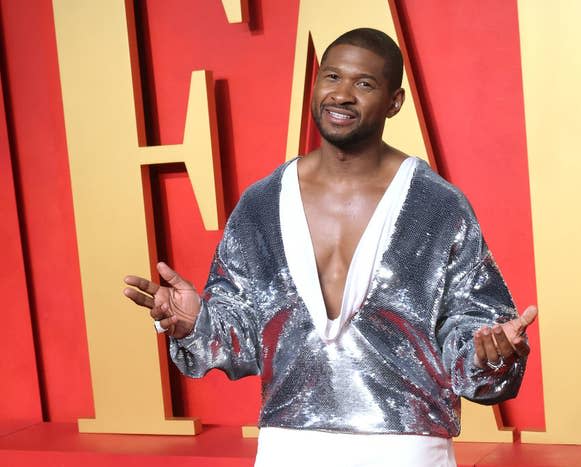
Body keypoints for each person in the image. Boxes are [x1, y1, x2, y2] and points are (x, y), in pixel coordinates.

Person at [123, 28, 537, 467]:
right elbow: (242, 332)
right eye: (332, 77)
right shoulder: (261, 204)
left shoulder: (437, 206)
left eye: (364, 84)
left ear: (394, 102)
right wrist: (195, 322)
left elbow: (470, 334)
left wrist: (486, 352)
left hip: (406, 449)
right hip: (288, 447)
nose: (342, 94)